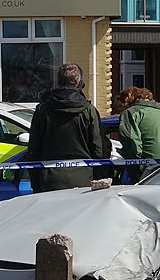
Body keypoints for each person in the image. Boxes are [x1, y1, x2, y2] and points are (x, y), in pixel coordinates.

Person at [27, 63, 108, 192]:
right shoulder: (88, 111)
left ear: (58, 82)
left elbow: (33, 148)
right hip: (83, 180)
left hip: (50, 179)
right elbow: (98, 149)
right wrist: (100, 177)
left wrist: (35, 181)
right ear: (78, 83)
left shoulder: (43, 110)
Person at [117, 86, 160, 163]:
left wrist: (126, 155)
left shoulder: (130, 113)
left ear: (125, 101)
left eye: (120, 106)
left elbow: (133, 145)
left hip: (146, 165)